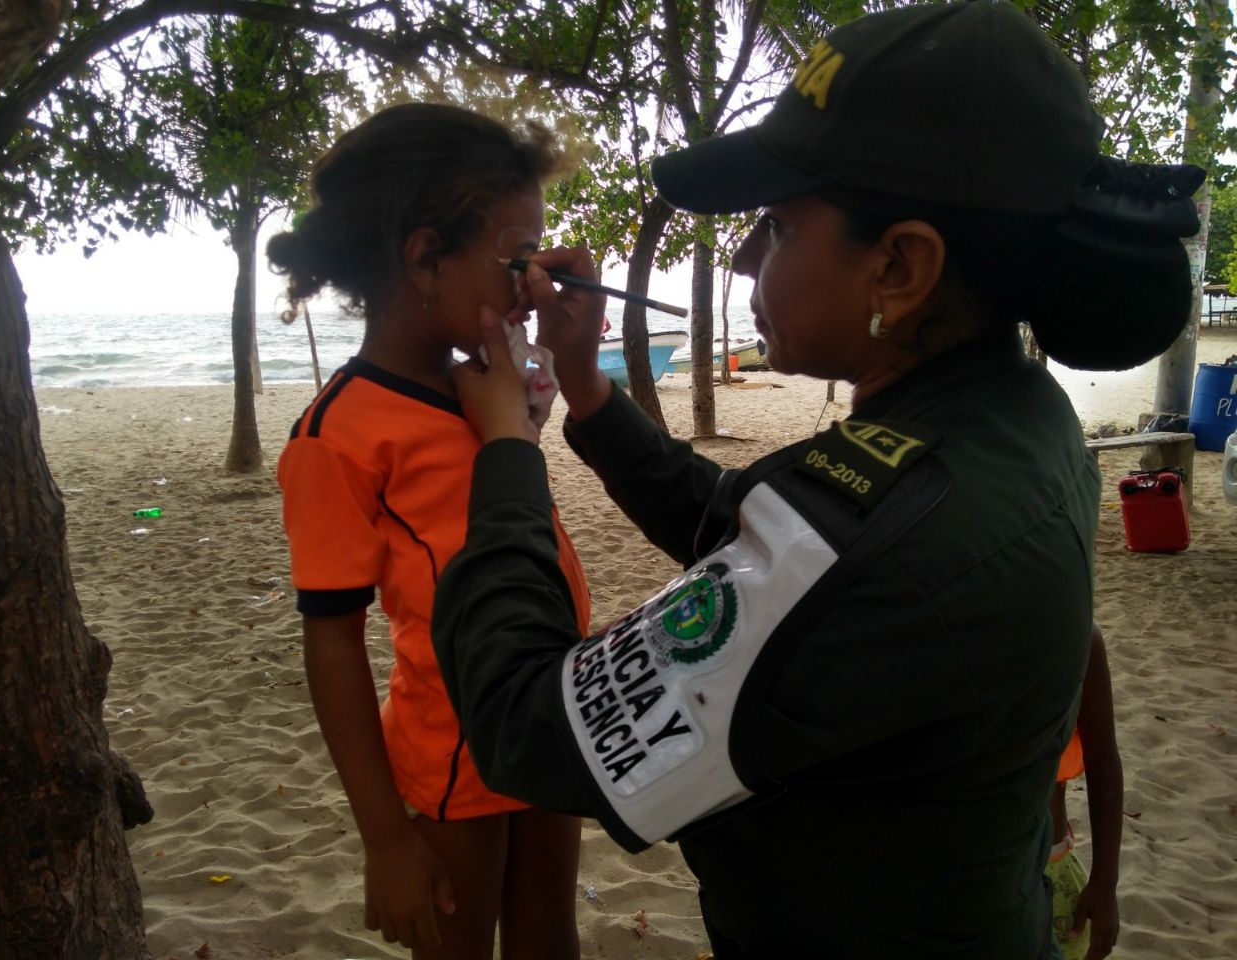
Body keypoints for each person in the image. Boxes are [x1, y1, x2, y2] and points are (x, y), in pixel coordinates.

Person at [427, 4, 1203, 958]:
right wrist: (587, 389)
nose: (747, 256)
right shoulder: (1014, 416)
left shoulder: (881, 536)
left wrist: (506, 450)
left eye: (780, 225)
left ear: (900, 268)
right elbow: (742, 526)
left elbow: (523, 726)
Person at [267, 102, 590, 959]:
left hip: (554, 708)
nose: (535, 285)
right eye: (519, 259)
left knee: (549, 939)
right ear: (425, 259)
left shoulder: (485, 385)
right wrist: (385, 839)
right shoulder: (337, 436)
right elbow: (332, 642)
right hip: (456, 747)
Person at [1047, 624, 1124, 960]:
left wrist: (1105, 883)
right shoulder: (948, 637)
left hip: (1050, 864)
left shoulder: (1075, 638)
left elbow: (1103, 760)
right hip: (964, 875)